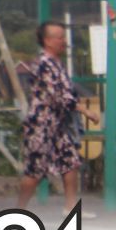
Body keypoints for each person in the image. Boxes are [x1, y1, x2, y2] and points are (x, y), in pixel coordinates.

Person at [16, 20, 83, 211]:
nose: (63, 41)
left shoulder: (57, 63)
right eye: (59, 37)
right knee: (35, 170)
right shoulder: (44, 64)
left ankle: (70, 207)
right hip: (41, 126)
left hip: (58, 125)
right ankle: (19, 210)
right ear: (47, 41)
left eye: (64, 37)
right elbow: (58, 95)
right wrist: (83, 109)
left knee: (70, 161)